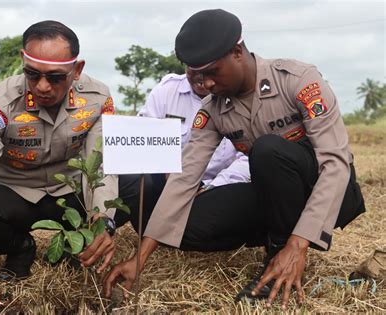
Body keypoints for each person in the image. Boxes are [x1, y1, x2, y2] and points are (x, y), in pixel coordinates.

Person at [104, 9, 365, 309]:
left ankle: (280, 254)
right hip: (274, 195)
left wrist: (298, 244)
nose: (206, 84)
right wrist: (141, 258)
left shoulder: (298, 81)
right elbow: (185, 177)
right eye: (197, 75)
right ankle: (275, 236)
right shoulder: (213, 108)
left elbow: (335, 163)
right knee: (188, 226)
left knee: (267, 150)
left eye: (212, 72)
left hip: (326, 188)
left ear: (237, 52)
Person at [0, 20, 129, 315]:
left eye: (56, 77)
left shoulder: (97, 99)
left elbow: (100, 164)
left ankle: (77, 247)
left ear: (77, 69)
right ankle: (21, 247)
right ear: (23, 61)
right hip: (16, 194)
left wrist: (102, 221)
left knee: (125, 192)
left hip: (68, 191)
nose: (43, 86)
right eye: (32, 74)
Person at [119, 69, 251, 232]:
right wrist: (168, 170)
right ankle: (150, 232)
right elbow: (142, 141)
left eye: (209, 67)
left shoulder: (240, 96)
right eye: (194, 67)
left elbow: (247, 159)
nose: (201, 75)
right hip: (168, 186)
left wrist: (212, 187)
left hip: (216, 187)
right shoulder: (166, 91)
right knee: (135, 180)